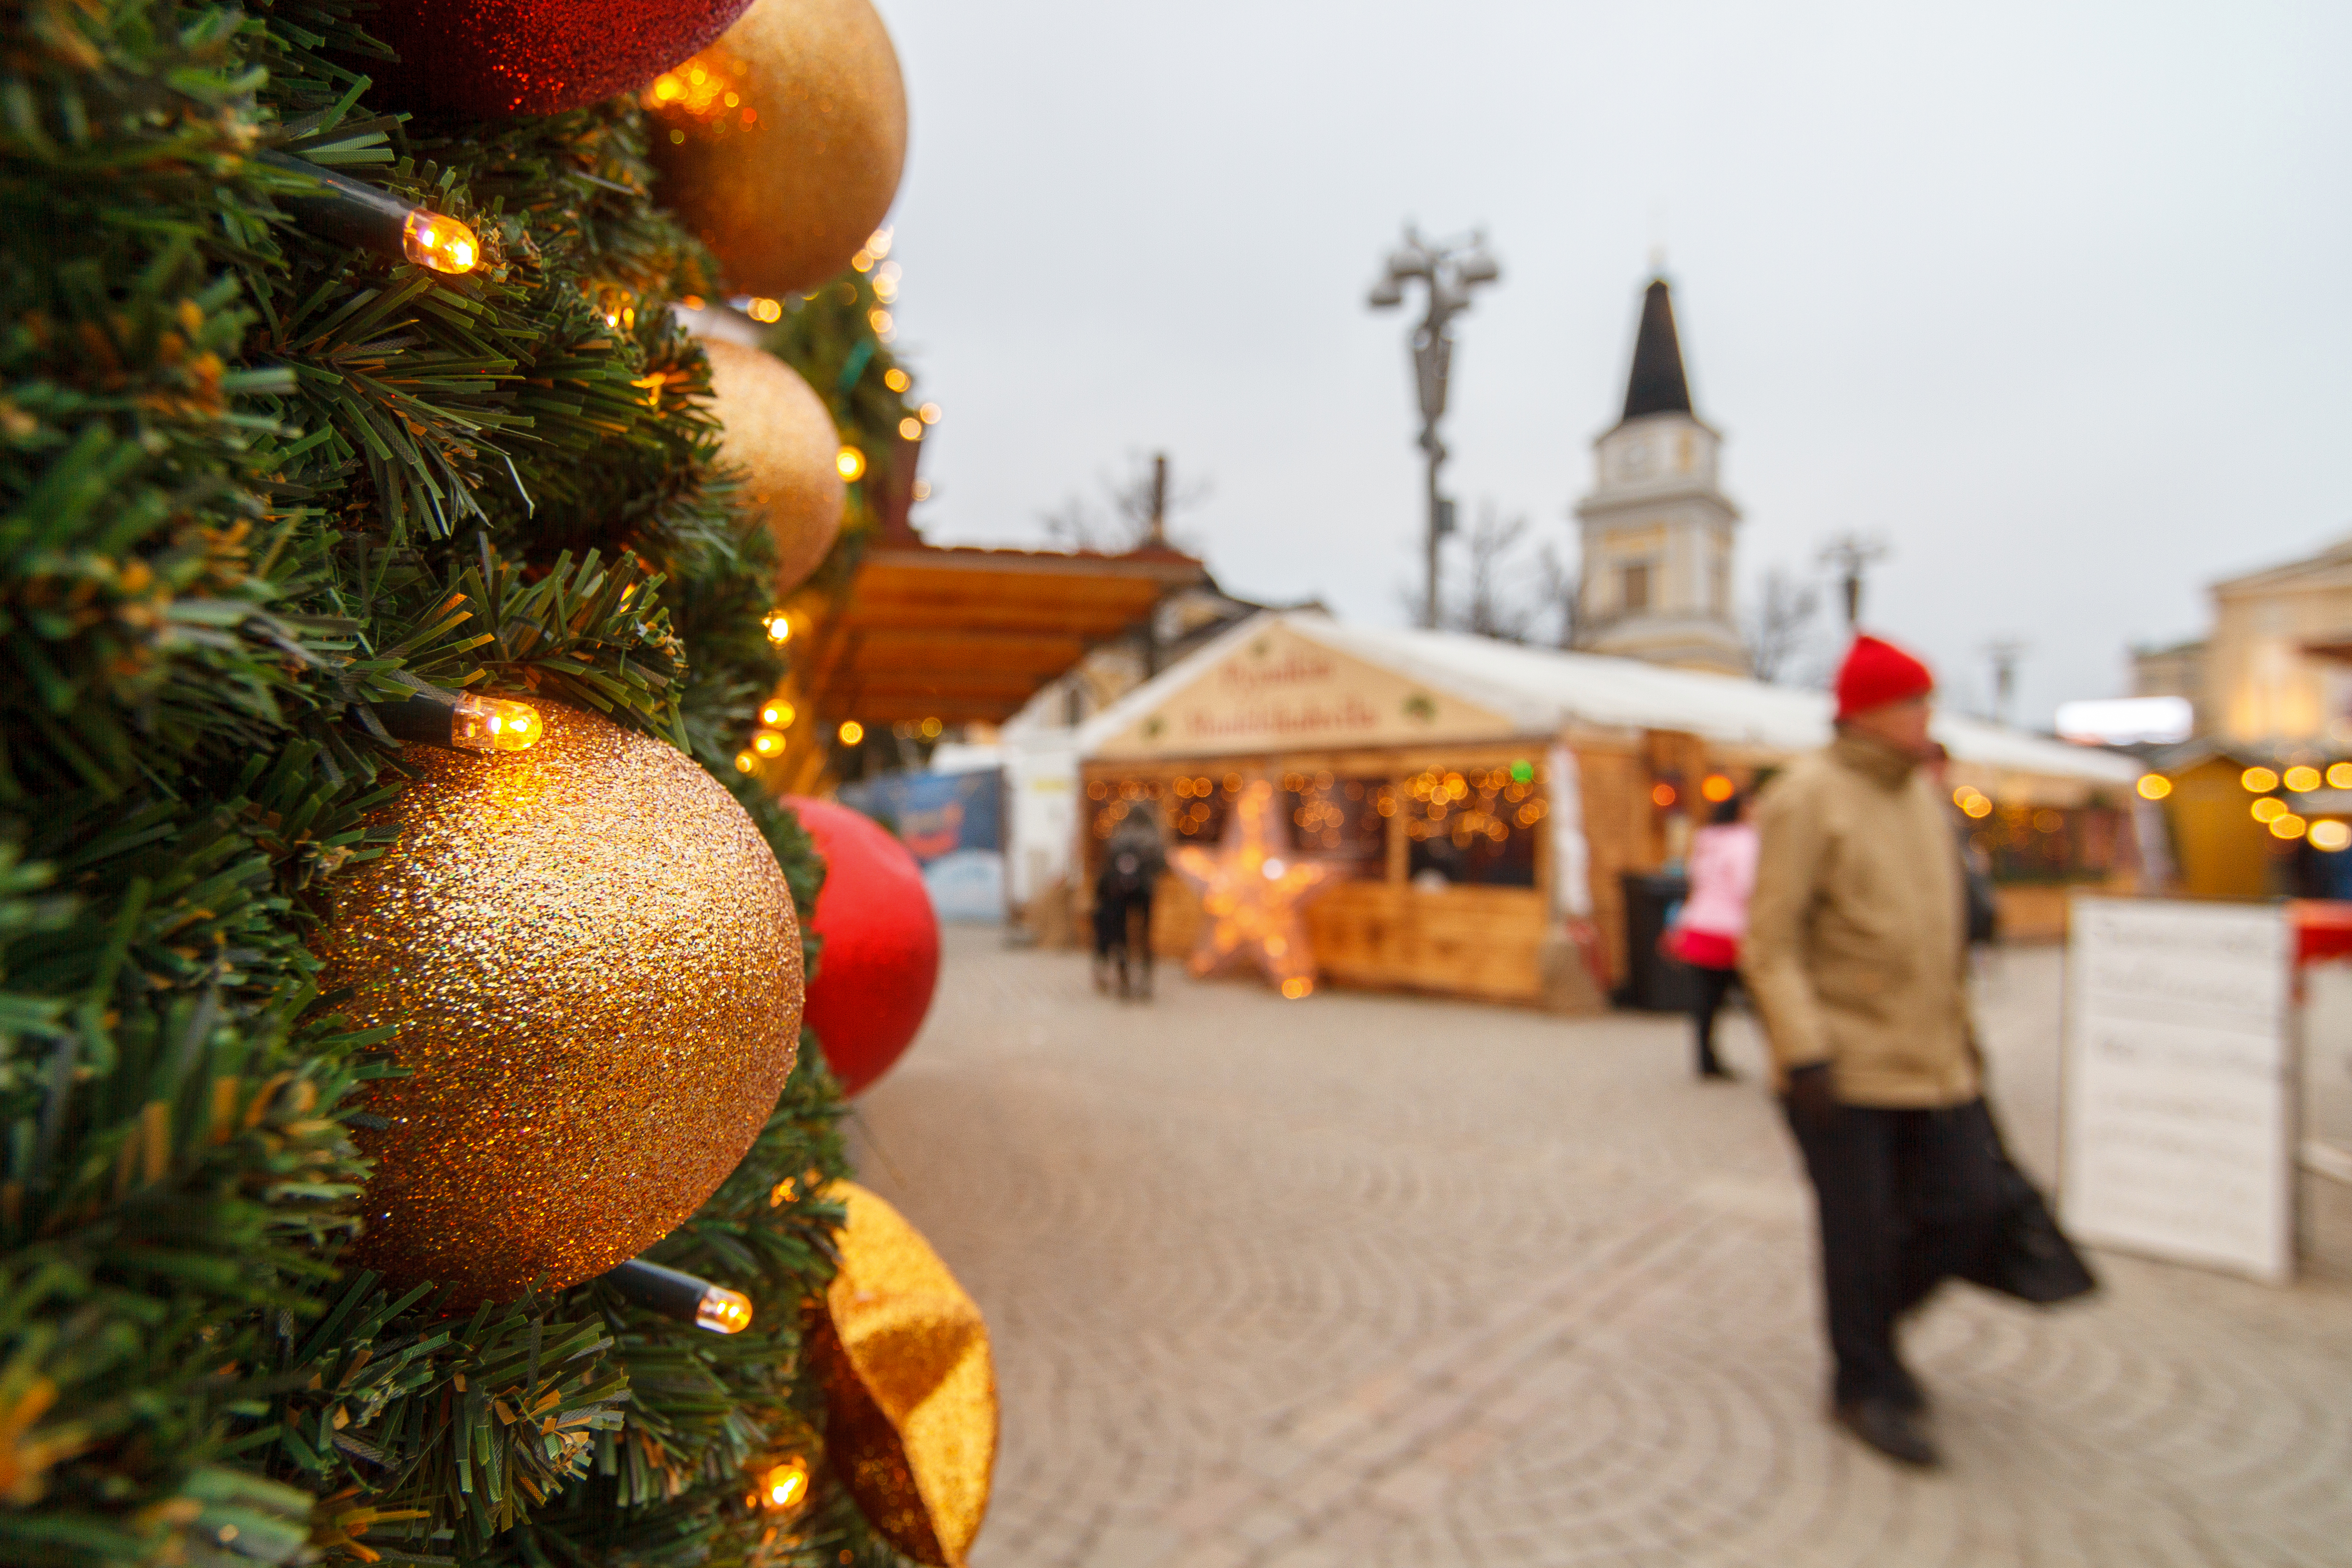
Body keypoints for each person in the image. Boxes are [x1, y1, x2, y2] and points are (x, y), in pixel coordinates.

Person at [1740, 633, 2011, 1470]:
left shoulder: (1923, 800)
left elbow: (1943, 936)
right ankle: (1862, 1380)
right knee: (1857, 1231)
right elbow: (1769, 942)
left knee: (1971, 1205)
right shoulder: (1805, 797)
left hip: (1932, 1058)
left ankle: (1871, 1333)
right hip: (1843, 1062)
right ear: (1866, 712)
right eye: (1912, 702)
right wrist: (1803, 1051)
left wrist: (1963, 1042)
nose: (1926, 716)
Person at [1668, 790, 1758, 1080]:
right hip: (1732, 930)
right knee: (1760, 999)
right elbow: (1747, 886)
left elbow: (1695, 883)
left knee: (1706, 1001)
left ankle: (1706, 1060)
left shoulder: (1706, 840)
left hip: (1699, 925)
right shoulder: (1745, 841)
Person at [1092, 812, 1166, 999]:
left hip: (1119, 894)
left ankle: (1123, 979)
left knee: (1121, 935)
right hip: (1145, 891)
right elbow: (1162, 864)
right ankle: (1145, 980)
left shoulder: (1120, 835)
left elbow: (1108, 863)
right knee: (1145, 935)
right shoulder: (1153, 836)